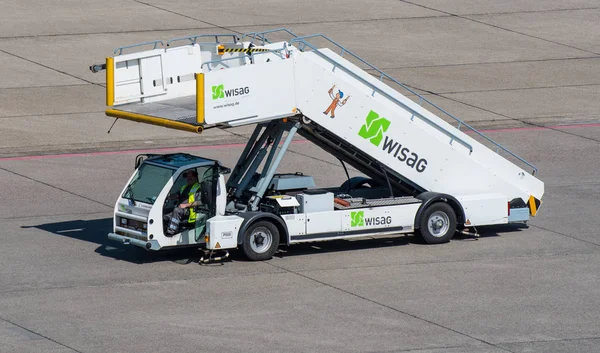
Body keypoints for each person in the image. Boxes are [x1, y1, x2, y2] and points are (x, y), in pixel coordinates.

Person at [165, 169, 201, 236]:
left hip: (188, 212)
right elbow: (177, 195)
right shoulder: (184, 187)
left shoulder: (198, 188)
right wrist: (167, 197)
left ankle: (170, 232)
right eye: (187, 176)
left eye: (191, 176)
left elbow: (200, 202)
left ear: (195, 177)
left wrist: (186, 205)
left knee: (176, 210)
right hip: (180, 209)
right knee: (164, 212)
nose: (188, 178)